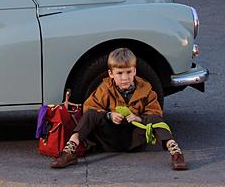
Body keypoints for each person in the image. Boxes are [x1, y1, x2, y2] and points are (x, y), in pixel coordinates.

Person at [51, 48, 188, 171]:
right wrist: (109, 115)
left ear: (134, 71)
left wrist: (138, 118)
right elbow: (90, 107)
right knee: (91, 114)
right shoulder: (105, 89)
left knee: (156, 119)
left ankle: (175, 152)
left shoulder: (146, 90)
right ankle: (69, 151)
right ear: (111, 74)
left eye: (128, 72)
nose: (124, 78)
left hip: (135, 138)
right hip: (111, 138)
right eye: (120, 73)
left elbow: (155, 112)